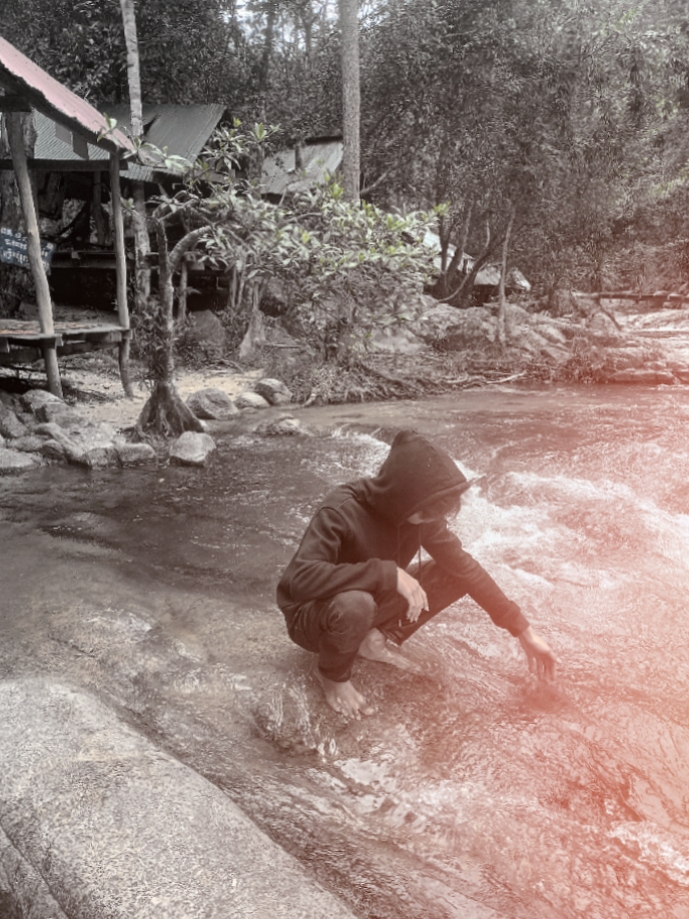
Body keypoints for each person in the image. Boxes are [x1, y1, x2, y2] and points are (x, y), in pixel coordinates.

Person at [277, 429, 558, 718]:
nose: (430, 520)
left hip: (369, 601)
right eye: (425, 513)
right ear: (402, 494)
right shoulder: (340, 509)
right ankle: (332, 677)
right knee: (357, 602)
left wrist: (523, 631)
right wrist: (386, 573)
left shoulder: (418, 516)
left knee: (453, 572)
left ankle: (375, 638)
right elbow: (299, 581)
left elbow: (464, 566)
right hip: (315, 617)